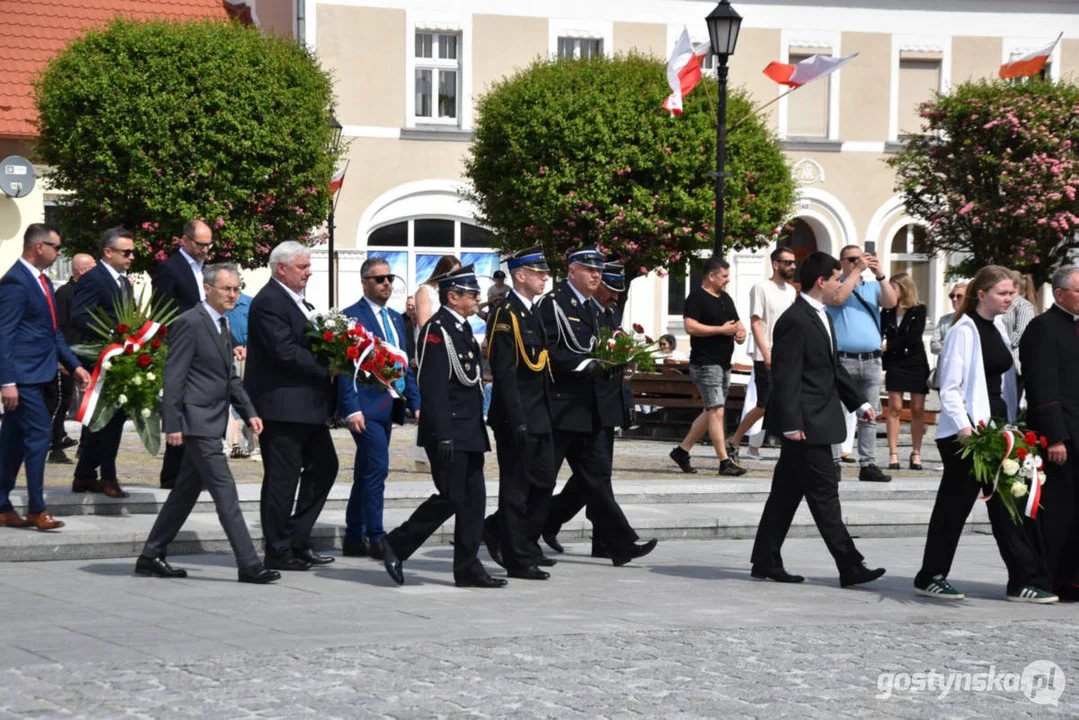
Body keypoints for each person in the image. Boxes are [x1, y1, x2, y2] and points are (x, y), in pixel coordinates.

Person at [913, 265, 1056, 603]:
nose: (1009, 299)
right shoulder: (964, 330)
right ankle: (930, 575)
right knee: (954, 505)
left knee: (1008, 506)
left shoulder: (999, 329)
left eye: (1012, 293)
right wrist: (965, 429)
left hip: (997, 430)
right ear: (982, 294)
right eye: (1003, 293)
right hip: (967, 435)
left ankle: (1022, 579)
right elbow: (949, 388)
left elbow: (1004, 381)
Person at [135, 263, 279, 585]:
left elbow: (229, 378)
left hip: (214, 418)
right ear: (208, 289)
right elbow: (174, 377)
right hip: (197, 422)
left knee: (184, 493)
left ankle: (151, 555)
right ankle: (249, 564)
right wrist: (173, 424)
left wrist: (249, 411)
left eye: (237, 288)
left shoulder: (222, 324)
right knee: (226, 492)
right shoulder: (190, 322)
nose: (233, 294)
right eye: (227, 289)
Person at [750, 251, 885, 588]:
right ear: (821, 281)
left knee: (784, 495)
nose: (841, 284)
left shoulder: (822, 315)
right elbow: (786, 376)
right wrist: (792, 424)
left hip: (818, 419)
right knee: (825, 495)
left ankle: (765, 559)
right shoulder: (795, 319)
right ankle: (850, 564)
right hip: (808, 426)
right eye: (838, 278)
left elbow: (831, 367)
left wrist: (858, 403)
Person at [380, 265, 504, 588]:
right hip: (448, 431)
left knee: (474, 499)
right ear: (453, 296)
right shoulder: (438, 330)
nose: (478, 297)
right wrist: (443, 434)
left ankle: (467, 566)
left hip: (470, 430)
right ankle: (396, 543)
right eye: (472, 293)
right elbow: (433, 387)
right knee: (451, 496)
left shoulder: (461, 328)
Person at [537, 246, 656, 565]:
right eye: (590, 270)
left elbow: (614, 362)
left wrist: (625, 400)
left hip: (594, 408)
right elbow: (548, 353)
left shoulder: (596, 308)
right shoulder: (554, 304)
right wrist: (582, 365)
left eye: (599, 270)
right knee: (542, 479)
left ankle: (615, 543)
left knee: (596, 478)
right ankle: (501, 531)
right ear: (572, 270)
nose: (596, 275)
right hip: (562, 407)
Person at [245, 241, 338, 572]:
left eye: (308, 266)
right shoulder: (268, 302)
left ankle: (297, 537)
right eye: (302, 267)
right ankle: (278, 549)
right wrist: (326, 366)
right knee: (282, 480)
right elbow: (282, 351)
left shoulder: (299, 301)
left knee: (325, 467)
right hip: (282, 406)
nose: (309, 272)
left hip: (307, 407)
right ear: (280, 268)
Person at [0, 225, 91, 531]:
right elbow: (4, 335)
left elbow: (52, 332)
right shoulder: (15, 282)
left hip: (38, 373)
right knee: (39, 436)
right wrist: (7, 381)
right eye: (56, 247)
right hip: (22, 378)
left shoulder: (43, 282)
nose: (59, 253)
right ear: (39, 246)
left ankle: (1, 504)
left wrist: (75, 365)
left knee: (12, 442)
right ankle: (37, 509)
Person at [337, 257, 420, 559]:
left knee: (365, 471)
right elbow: (345, 367)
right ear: (364, 282)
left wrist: (416, 401)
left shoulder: (397, 319)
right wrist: (350, 408)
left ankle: (353, 535)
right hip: (365, 408)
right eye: (379, 279)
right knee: (377, 469)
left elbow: (404, 365)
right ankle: (376, 536)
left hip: (389, 407)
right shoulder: (351, 317)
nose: (387, 283)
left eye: (390, 278)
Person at [481, 247, 556, 580]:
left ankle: (506, 535)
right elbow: (506, 372)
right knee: (516, 488)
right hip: (517, 415)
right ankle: (517, 557)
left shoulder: (533, 311)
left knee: (543, 483)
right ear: (520, 275)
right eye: (538, 273)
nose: (544, 278)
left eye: (544, 273)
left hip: (540, 412)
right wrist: (517, 419)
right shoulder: (505, 313)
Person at [1019, 265, 1079, 600]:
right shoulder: (1042, 328)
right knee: (1061, 510)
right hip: (1061, 435)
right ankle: (1056, 578)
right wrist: (1056, 436)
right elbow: (1042, 386)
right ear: (1059, 294)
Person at [70, 227, 138, 499]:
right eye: (127, 252)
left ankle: (85, 474)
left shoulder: (124, 282)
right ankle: (106, 475)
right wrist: (113, 333)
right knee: (107, 419)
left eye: (133, 251)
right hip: (101, 357)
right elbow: (79, 316)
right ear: (108, 252)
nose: (132, 257)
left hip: (121, 357)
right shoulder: (94, 279)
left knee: (111, 419)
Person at [668, 257, 747, 477]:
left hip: (724, 362)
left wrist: (740, 333)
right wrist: (720, 330)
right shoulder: (696, 298)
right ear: (711, 276)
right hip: (705, 362)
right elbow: (690, 327)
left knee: (712, 410)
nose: (727, 280)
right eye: (724, 276)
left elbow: (737, 323)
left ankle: (682, 451)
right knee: (716, 410)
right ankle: (724, 461)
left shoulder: (725, 298)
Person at [826, 244, 898, 483]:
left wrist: (880, 274)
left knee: (870, 414)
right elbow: (838, 299)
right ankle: (834, 462)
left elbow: (891, 302)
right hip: (844, 359)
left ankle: (868, 464)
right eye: (854, 259)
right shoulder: (836, 284)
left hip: (871, 360)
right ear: (843, 262)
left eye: (862, 258)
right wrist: (856, 271)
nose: (860, 262)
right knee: (837, 412)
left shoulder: (871, 287)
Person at [153, 220, 215, 490]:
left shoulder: (206, 271)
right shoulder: (170, 269)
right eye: (201, 244)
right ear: (185, 241)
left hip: (206, 348)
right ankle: (172, 474)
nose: (205, 250)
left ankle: (192, 472)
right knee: (181, 408)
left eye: (208, 244)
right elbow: (162, 311)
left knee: (200, 410)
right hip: (181, 346)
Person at [727, 247, 798, 463]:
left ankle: (790, 448)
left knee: (788, 402)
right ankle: (735, 440)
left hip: (788, 355)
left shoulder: (792, 291)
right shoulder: (761, 288)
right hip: (765, 355)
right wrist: (766, 353)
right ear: (775, 264)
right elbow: (756, 322)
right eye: (788, 262)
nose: (792, 266)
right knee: (764, 404)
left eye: (794, 262)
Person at [45, 253, 96, 464]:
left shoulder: (90, 292)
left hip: (89, 354)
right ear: (81, 271)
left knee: (90, 402)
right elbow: (60, 327)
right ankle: (55, 445)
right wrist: (64, 359)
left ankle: (85, 447)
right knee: (62, 401)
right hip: (68, 356)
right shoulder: (65, 293)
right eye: (93, 268)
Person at [412, 255, 460, 469]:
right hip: (433, 346)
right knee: (431, 397)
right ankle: (423, 453)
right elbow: (424, 323)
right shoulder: (426, 291)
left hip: (452, 350)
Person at [881, 273, 930, 471]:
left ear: (903, 288)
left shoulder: (918, 310)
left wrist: (887, 346)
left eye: (893, 288)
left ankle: (916, 452)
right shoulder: (886, 311)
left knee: (918, 408)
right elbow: (880, 331)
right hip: (895, 363)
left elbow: (913, 337)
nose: (890, 292)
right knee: (895, 407)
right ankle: (893, 453)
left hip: (915, 361)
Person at [225, 289, 256, 459]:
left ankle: (254, 447)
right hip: (228, 353)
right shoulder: (221, 302)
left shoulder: (250, 303)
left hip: (247, 354)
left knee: (248, 398)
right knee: (228, 399)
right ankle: (232, 444)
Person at [1002, 272, 1036, 403]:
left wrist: (1001, 346)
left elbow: (1022, 331)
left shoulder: (1023, 305)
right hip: (1002, 361)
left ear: (1015, 287)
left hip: (1014, 362)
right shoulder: (1005, 304)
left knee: (1011, 403)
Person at [929, 283, 967, 390]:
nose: (954, 299)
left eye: (959, 296)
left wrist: (945, 342)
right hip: (945, 374)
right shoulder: (944, 320)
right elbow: (933, 346)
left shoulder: (974, 320)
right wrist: (954, 345)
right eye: (952, 296)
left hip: (965, 376)